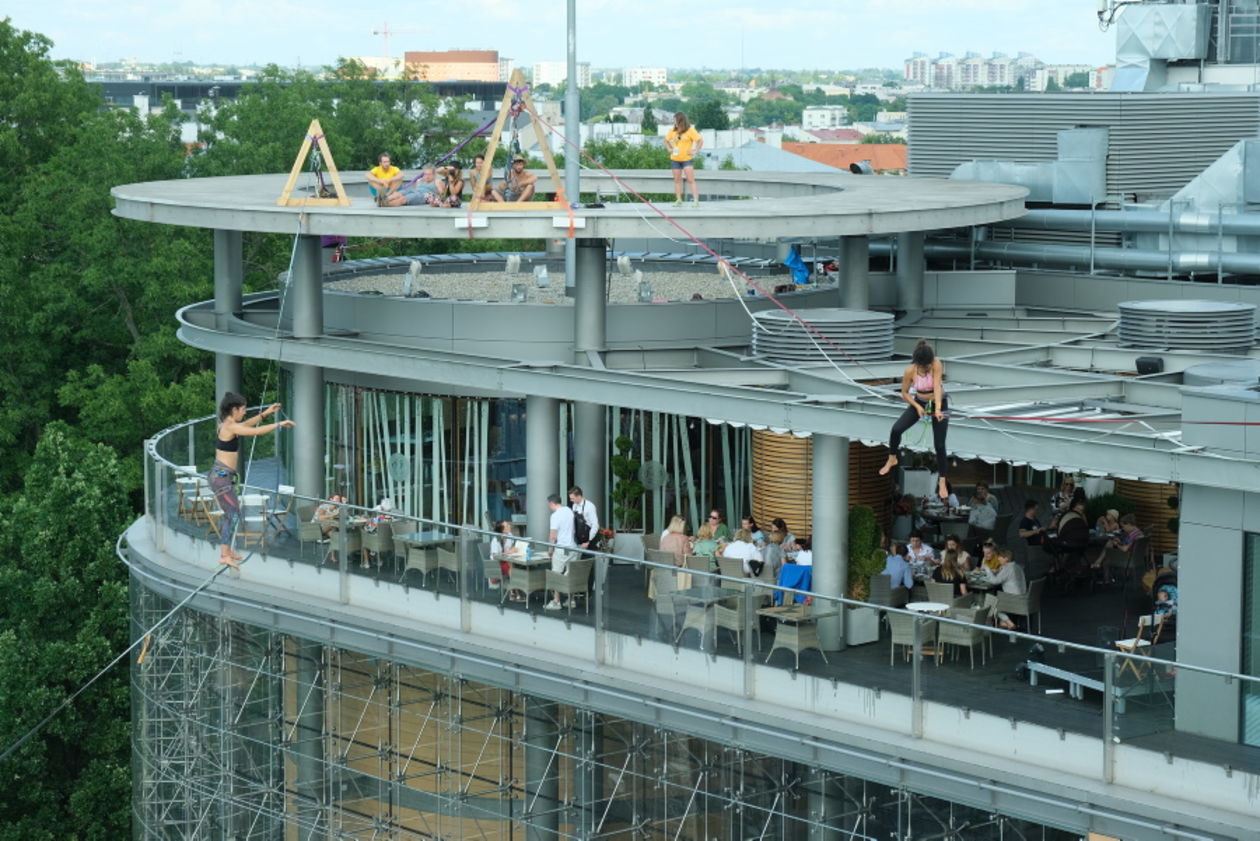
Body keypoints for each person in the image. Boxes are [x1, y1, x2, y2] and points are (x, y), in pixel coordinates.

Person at [210, 392, 295, 569]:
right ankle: (224, 554)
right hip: (221, 479)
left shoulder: (229, 424)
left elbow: (247, 425)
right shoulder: (229, 427)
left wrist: (267, 413)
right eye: (242, 410)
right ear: (234, 409)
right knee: (232, 514)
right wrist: (278, 424)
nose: (244, 413)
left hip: (223, 477)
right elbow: (253, 431)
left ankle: (227, 552)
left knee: (233, 513)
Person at [879, 339, 951, 500]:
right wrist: (917, 406)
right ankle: (892, 458)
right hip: (918, 401)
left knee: (939, 444)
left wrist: (938, 409)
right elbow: (904, 393)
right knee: (896, 429)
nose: (926, 369)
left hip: (939, 401)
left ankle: (942, 481)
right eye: (923, 366)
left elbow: (938, 387)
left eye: (928, 366)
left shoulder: (936, 364)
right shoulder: (910, 371)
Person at [544, 494, 578, 610]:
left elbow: (553, 536)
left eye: (549, 505)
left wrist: (550, 549)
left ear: (552, 503)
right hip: (573, 548)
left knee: (556, 574)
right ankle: (571, 600)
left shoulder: (555, 516)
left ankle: (556, 601)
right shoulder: (569, 511)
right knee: (571, 574)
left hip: (561, 549)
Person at [664, 111, 703, 207]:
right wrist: (669, 148)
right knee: (677, 180)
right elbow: (665, 140)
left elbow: (700, 140)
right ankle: (678, 200)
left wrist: (695, 150)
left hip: (686, 159)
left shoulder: (690, 131)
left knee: (691, 179)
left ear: (680, 121)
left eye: (675, 120)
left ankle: (695, 200)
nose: (674, 123)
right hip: (675, 159)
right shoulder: (672, 131)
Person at [984, 547, 1027, 629]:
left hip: (1013, 599)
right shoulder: (1017, 566)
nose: (998, 558)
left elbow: (994, 581)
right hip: (1023, 597)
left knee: (991, 603)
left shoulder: (1007, 568)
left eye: (1000, 557)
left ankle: (1010, 623)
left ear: (1006, 559)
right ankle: (1003, 623)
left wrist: (987, 569)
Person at [489, 519, 524, 596]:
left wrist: (514, 549)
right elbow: (496, 556)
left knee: (516, 565)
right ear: (503, 530)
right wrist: (509, 552)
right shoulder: (496, 540)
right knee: (511, 566)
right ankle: (514, 591)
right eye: (507, 526)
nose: (510, 526)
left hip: (507, 560)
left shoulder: (509, 535)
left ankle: (516, 588)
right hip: (496, 564)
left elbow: (511, 547)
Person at [568, 485, 599, 551]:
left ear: (579, 496)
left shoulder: (590, 506)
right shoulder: (574, 505)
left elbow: (595, 525)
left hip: (589, 541)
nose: (571, 500)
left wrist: (588, 541)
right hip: (579, 541)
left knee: (588, 560)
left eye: (572, 498)